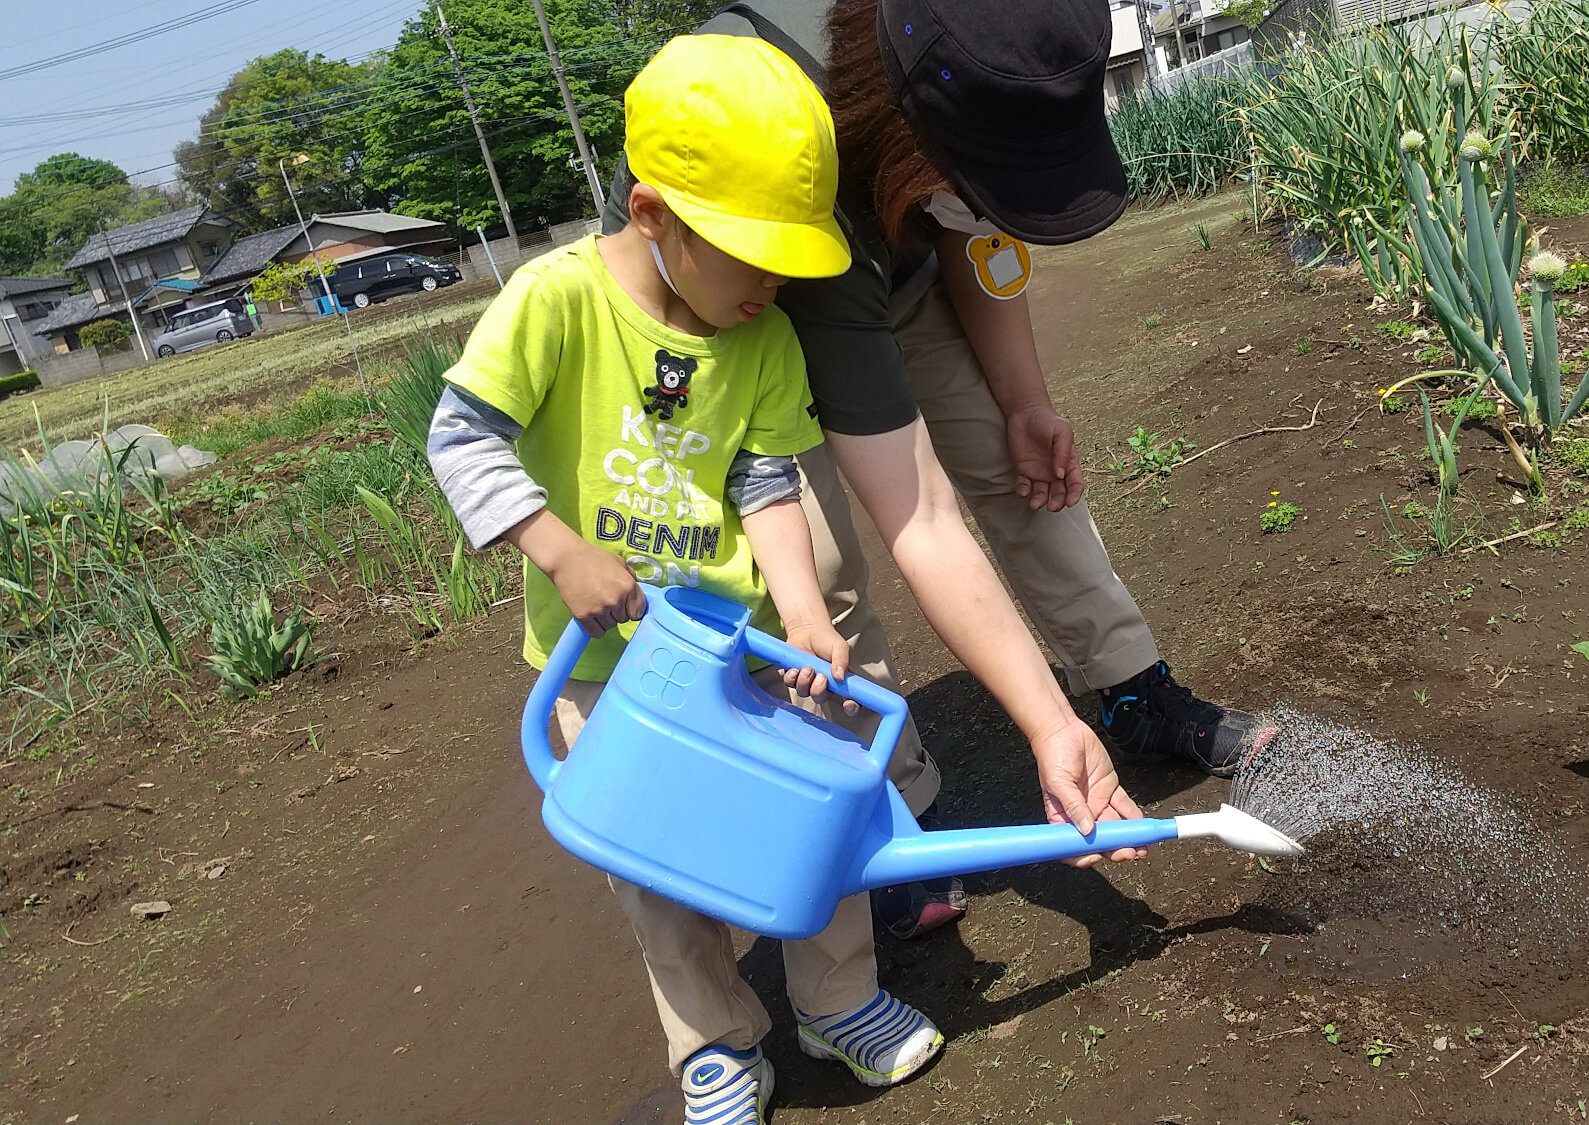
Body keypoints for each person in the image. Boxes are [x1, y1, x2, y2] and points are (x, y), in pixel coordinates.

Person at [428, 37, 1143, 1124]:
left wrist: (803, 609)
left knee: (811, 819)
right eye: (750, 255)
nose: (771, 284)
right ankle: (712, 1049)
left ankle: (837, 1000)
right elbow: (462, 436)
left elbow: (766, 480)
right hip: (611, 670)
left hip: (752, 647)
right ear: (652, 213)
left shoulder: (757, 336)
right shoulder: (553, 303)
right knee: (658, 869)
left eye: (786, 259)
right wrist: (556, 547)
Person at [602, 0, 1275, 940]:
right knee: (815, 566)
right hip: (747, 287)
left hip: (892, 239)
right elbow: (918, 518)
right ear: (917, 137)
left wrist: (1026, 399)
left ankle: (1128, 687)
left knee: (1013, 453)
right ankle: (881, 811)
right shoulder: (804, 131)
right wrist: (1045, 727)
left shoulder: (969, 57)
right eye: (979, 180)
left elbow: (977, 227)